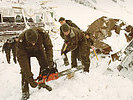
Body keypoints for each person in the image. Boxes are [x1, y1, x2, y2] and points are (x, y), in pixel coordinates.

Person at [16, 27, 54, 100]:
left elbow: (48, 47)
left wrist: (49, 60)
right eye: (31, 42)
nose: (33, 44)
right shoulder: (21, 40)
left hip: (39, 50)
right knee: (24, 71)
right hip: (26, 53)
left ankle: (42, 83)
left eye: (34, 42)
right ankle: (25, 91)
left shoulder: (43, 34)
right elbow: (22, 61)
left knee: (45, 65)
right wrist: (30, 78)